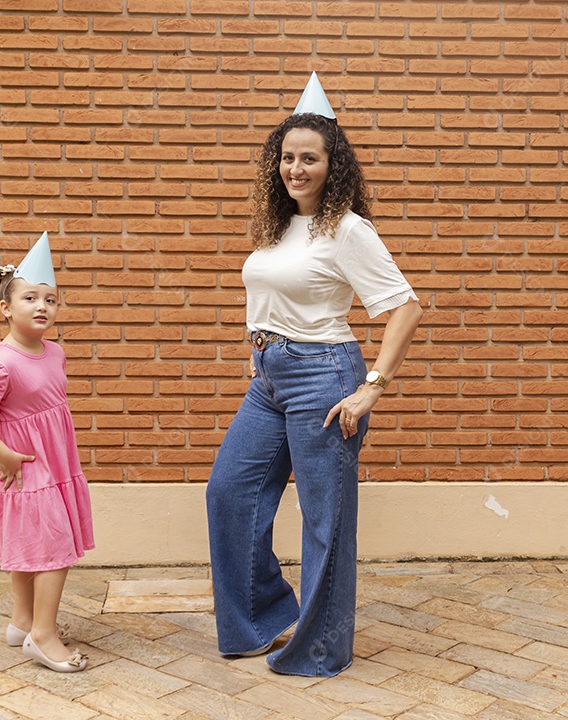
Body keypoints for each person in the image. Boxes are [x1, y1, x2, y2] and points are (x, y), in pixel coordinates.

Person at [206, 73, 424, 677]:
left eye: (310, 158)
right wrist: (261, 350)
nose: (295, 169)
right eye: (287, 157)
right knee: (229, 493)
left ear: (334, 165)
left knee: (324, 518)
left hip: (324, 377)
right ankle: (259, 620)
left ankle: (321, 648)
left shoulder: (347, 228)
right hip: (270, 379)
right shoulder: (278, 226)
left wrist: (372, 387)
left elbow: (406, 307)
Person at [0, 232, 93, 673]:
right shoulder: (2, 363)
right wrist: (5, 455)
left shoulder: (54, 352)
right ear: (6, 307)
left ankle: (23, 621)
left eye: (50, 300)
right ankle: (43, 635)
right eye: (30, 298)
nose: (41, 307)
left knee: (35, 542)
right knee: (54, 546)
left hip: (55, 463)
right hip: (26, 466)